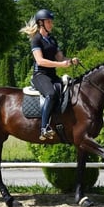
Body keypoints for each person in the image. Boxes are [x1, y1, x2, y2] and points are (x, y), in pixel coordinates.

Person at [20, 9, 79, 140]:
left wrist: (69, 61)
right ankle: (44, 127)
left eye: (51, 22)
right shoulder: (36, 40)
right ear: (41, 23)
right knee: (51, 94)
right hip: (40, 75)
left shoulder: (52, 39)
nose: (51, 24)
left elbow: (60, 57)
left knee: (67, 92)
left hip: (52, 76)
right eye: (49, 22)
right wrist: (61, 65)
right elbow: (40, 61)